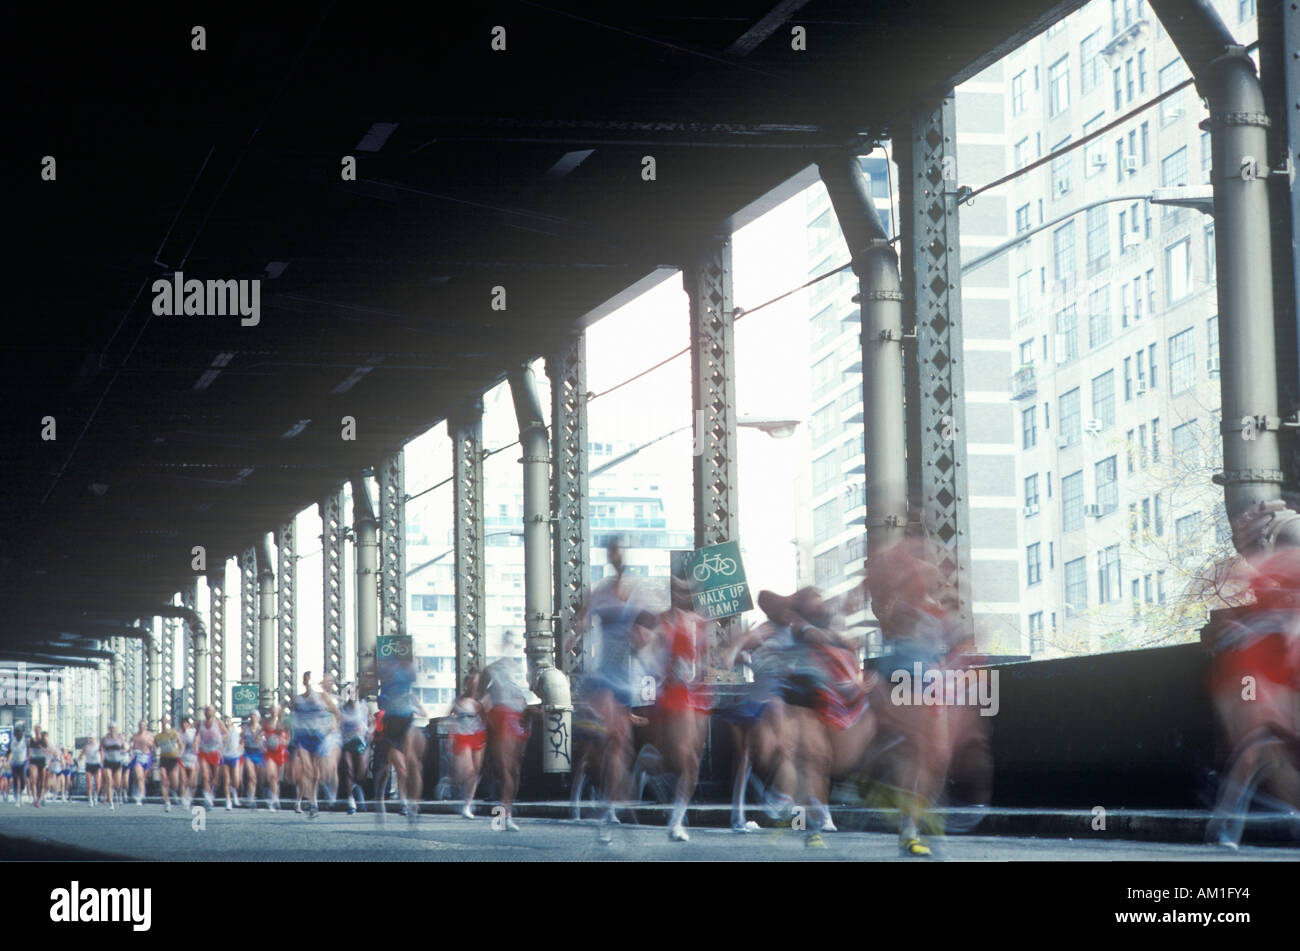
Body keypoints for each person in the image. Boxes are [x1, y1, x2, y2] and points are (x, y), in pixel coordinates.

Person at [570, 540, 657, 842]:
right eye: (613, 552)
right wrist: (573, 640)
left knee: (624, 747)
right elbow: (581, 621)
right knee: (611, 739)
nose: (618, 557)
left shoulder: (637, 589)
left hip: (626, 678)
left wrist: (643, 641)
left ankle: (609, 805)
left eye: (621, 551)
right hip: (604, 674)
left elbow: (649, 630)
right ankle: (604, 803)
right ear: (610, 556)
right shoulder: (600, 591)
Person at [654, 580, 713, 841]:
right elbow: (653, 653)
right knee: (681, 756)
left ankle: (677, 819)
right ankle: (647, 768)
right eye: (680, 591)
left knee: (692, 759)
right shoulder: (665, 621)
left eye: (689, 591)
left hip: (699, 695)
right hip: (676, 694)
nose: (685, 595)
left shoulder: (702, 622)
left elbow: (706, 659)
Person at [482, 640, 533, 832]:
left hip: (517, 719)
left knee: (513, 770)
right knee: (504, 771)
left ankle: (506, 814)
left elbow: (525, 700)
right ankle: (502, 817)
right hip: (502, 718)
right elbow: (482, 698)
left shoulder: (520, 672)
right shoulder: (492, 670)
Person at [290, 672, 338, 818]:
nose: (307, 683)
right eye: (305, 680)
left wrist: (331, 726)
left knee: (316, 773)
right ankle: (312, 803)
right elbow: (290, 716)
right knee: (307, 769)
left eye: (309, 680)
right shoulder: (297, 699)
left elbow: (336, 713)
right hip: (302, 737)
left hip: (318, 737)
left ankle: (314, 800)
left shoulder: (322, 697)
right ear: (303, 682)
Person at [448, 672, 487, 820]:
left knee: (476, 771)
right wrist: (451, 734)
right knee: (468, 771)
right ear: (467, 683)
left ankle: (467, 804)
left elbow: (485, 719)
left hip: (478, 735)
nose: (474, 684)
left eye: (477, 681)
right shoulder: (459, 700)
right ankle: (457, 787)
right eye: (472, 681)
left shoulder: (481, 701)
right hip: (462, 735)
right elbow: (450, 716)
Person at [337, 687, 371, 815]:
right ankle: (351, 801)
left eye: (354, 693)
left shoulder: (363, 706)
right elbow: (337, 724)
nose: (351, 695)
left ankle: (357, 790)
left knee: (361, 774)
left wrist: (370, 730)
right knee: (348, 769)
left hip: (360, 742)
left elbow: (371, 722)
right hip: (347, 742)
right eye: (349, 693)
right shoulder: (342, 709)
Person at [261, 706, 289, 810]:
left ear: (278, 712)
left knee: (277, 778)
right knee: (272, 776)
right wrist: (262, 746)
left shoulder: (283, 723)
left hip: (281, 752)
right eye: (272, 711)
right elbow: (258, 735)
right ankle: (274, 799)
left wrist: (285, 742)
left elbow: (288, 736)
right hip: (269, 752)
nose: (274, 712)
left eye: (275, 711)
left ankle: (274, 796)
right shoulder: (266, 722)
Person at [154, 716, 182, 812]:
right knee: (164, 780)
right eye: (162, 722)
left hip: (173, 759)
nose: (164, 723)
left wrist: (180, 754)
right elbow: (156, 747)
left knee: (175, 783)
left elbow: (180, 744)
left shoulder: (173, 733)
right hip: (163, 759)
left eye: (165, 721)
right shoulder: (158, 736)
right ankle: (167, 802)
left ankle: (173, 791)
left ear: (169, 722)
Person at [240, 711, 265, 807]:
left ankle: (257, 793)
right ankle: (250, 797)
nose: (253, 717)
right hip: (248, 753)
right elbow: (241, 740)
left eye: (255, 715)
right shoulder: (246, 728)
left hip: (259, 753)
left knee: (258, 778)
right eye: (251, 715)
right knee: (252, 777)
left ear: (258, 717)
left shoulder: (262, 729)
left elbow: (265, 741)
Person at [101, 723, 128, 810]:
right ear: (109, 729)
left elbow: (124, 748)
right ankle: (111, 803)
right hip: (108, 762)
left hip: (117, 762)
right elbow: (101, 748)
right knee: (109, 781)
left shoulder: (120, 739)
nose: (112, 730)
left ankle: (117, 793)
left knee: (117, 783)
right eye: (111, 728)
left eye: (114, 728)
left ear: (116, 729)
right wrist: (102, 758)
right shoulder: (105, 739)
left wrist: (123, 755)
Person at [128, 720, 155, 806]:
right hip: (138, 757)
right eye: (140, 725)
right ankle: (140, 796)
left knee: (143, 778)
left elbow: (153, 747)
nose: (142, 727)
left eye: (143, 725)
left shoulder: (149, 735)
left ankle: (138, 791)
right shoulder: (135, 736)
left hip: (147, 757)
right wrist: (131, 754)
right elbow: (131, 746)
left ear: (146, 726)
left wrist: (153, 759)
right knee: (139, 777)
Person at [220, 715, 243, 810]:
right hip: (224, 757)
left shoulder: (236, 731)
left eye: (228, 721)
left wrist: (240, 747)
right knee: (226, 779)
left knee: (236, 780)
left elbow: (242, 741)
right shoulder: (221, 733)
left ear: (231, 723)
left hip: (234, 756)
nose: (226, 723)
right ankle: (228, 801)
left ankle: (234, 793)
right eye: (225, 721)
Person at [178, 717, 199, 807]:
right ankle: (183, 799)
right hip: (182, 759)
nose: (184, 725)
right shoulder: (179, 733)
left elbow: (198, 742)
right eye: (183, 724)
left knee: (192, 782)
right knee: (183, 780)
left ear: (189, 724)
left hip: (193, 759)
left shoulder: (193, 732)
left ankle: (189, 797)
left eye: (186, 723)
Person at [27, 728, 50, 808]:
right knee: (33, 780)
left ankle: (39, 799)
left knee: (41, 782)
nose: (37, 732)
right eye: (36, 730)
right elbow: (28, 751)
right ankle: (35, 799)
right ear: (34, 731)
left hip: (42, 762)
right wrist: (28, 757)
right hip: (33, 761)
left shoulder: (44, 740)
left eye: (38, 730)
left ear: (40, 731)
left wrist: (42, 748)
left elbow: (48, 751)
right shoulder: (31, 740)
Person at [80, 734, 102, 808]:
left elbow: (102, 754)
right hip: (89, 765)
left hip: (97, 765)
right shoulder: (86, 746)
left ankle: (95, 796)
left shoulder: (99, 746)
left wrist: (102, 762)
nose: (91, 740)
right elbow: (81, 754)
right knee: (88, 783)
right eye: (90, 738)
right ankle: (90, 799)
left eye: (92, 738)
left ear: (95, 739)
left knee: (98, 783)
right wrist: (80, 758)